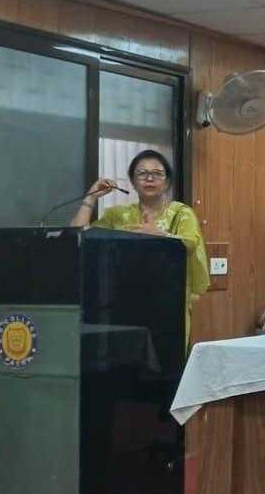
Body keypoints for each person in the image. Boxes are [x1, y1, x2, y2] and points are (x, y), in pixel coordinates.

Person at [72, 149, 210, 349]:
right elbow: (79, 237)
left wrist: (159, 235)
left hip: (167, 304)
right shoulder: (118, 215)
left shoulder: (180, 213)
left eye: (157, 173)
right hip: (121, 303)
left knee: (167, 362)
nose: (149, 178)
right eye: (142, 173)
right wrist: (90, 198)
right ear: (133, 181)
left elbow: (190, 244)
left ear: (167, 182)